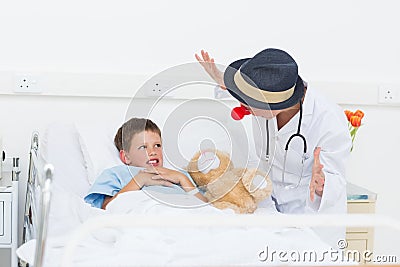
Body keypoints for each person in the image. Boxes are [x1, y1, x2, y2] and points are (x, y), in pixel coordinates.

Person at [195, 48, 352, 246]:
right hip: (270, 211)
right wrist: (224, 80)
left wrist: (323, 186)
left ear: (273, 104)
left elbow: (335, 181)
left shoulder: (328, 120)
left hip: (311, 220)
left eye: (249, 104)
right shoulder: (268, 97)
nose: (245, 109)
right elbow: (243, 94)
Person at [84, 117, 206, 209]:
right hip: (147, 213)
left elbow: (205, 205)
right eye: (143, 147)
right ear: (126, 157)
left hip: (183, 213)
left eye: (157, 145)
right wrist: (139, 180)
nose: (153, 152)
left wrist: (183, 179)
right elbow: (106, 208)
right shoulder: (118, 173)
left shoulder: (178, 174)